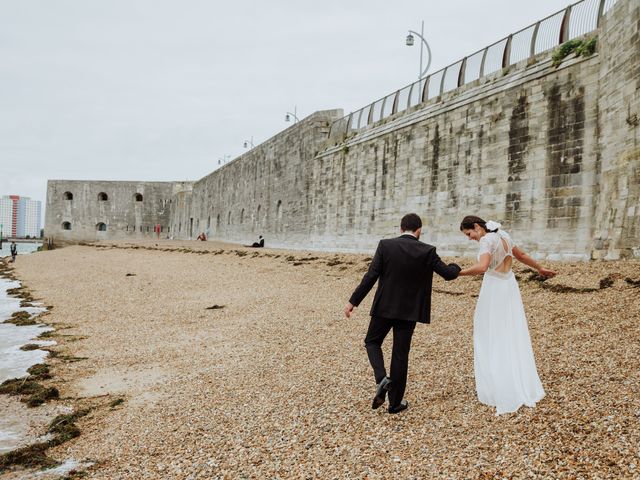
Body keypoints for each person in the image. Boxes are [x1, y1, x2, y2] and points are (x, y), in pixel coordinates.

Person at [344, 213, 461, 414]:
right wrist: (456, 266)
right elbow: (449, 274)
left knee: (372, 342)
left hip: (384, 307)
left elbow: (371, 276)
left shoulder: (385, 245)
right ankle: (394, 404)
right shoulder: (428, 250)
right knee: (400, 355)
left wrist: (353, 301)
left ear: (400, 229)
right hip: (409, 311)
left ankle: (382, 379)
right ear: (419, 230)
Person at [458, 216, 556, 415]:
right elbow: (521, 256)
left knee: (489, 333)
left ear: (477, 227)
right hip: (509, 286)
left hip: (494, 287)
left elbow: (482, 267)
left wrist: (457, 273)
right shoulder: (504, 235)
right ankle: (514, 379)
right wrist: (540, 268)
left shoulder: (487, 240)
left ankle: (499, 387)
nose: (470, 238)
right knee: (510, 331)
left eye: (469, 234)